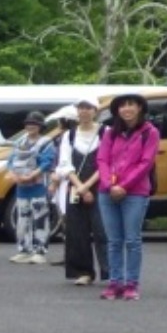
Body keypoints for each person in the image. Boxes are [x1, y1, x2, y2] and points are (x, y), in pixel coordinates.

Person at [97, 93, 159, 301]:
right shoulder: (110, 133)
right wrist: (108, 184)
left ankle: (132, 283)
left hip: (135, 192)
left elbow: (146, 162)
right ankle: (115, 282)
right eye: (122, 106)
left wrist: (123, 186)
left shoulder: (150, 132)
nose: (126, 109)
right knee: (113, 240)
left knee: (132, 239)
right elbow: (102, 159)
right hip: (108, 191)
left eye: (131, 105)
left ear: (140, 108)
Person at [55, 99, 107, 287]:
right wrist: (79, 186)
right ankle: (83, 271)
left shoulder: (106, 133)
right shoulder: (69, 135)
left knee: (103, 230)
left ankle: (111, 271)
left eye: (88, 108)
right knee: (77, 230)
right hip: (75, 186)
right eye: (81, 108)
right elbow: (64, 164)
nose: (84, 112)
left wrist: (87, 186)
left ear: (96, 111)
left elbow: (106, 162)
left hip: (101, 185)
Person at [5, 111, 57, 264]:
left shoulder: (46, 142)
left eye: (34, 124)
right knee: (22, 218)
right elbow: (11, 160)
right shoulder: (20, 142)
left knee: (40, 218)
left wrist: (33, 174)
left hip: (39, 185)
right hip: (21, 186)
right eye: (28, 123)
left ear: (41, 126)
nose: (31, 126)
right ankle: (24, 250)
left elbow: (47, 162)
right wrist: (13, 174)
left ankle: (40, 250)